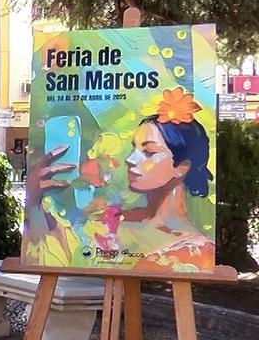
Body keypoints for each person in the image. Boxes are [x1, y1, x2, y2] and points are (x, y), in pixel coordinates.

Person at [26, 86, 214, 273]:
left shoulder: (198, 251)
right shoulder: (110, 219)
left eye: (148, 152)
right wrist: (34, 202)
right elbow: (58, 258)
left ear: (182, 168)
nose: (130, 159)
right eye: (134, 148)